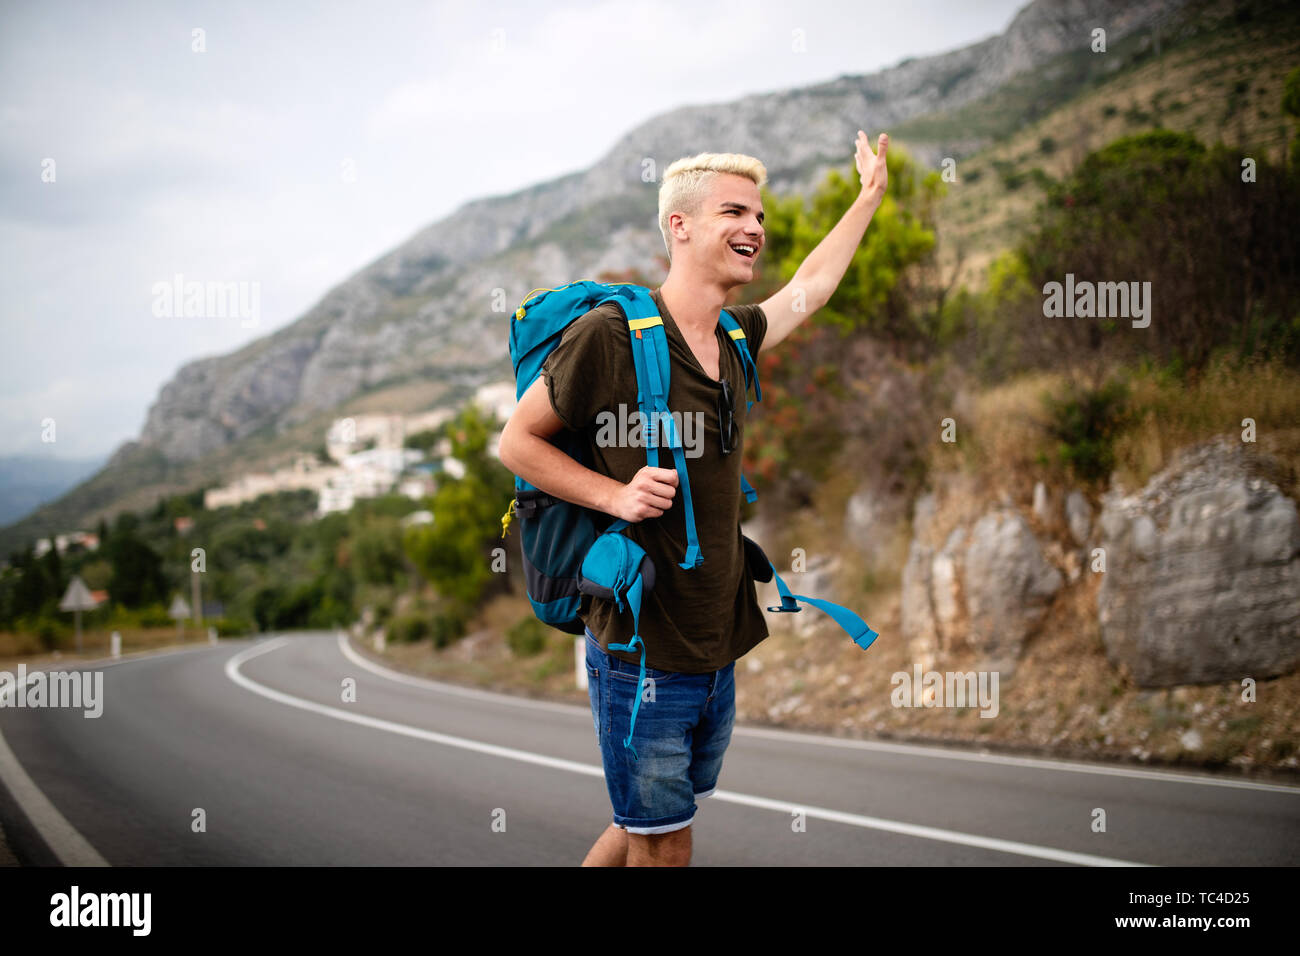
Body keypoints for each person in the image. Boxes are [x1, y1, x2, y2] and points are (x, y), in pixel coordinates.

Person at [498, 130, 889, 866]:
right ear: (679, 226)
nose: (756, 229)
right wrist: (613, 496)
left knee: (643, 826)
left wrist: (867, 198)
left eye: (761, 217)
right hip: (641, 652)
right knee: (664, 845)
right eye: (734, 212)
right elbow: (517, 444)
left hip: (717, 643)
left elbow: (812, 286)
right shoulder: (610, 337)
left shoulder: (736, 338)